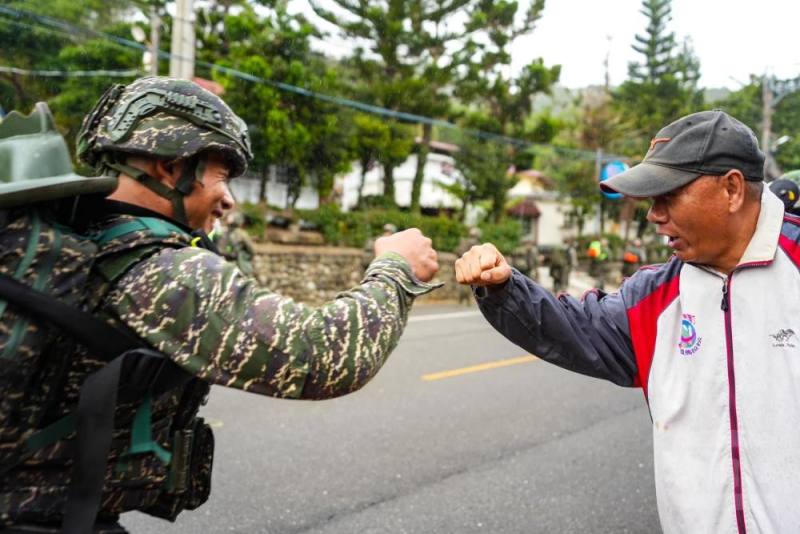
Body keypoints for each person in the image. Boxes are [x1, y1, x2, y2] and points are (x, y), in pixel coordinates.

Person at [0, 77, 440, 533]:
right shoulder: (156, 268)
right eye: (222, 176)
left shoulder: (79, 238)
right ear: (171, 167)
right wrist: (395, 268)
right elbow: (320, 356)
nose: (228, 199)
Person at [455, 110, 800, 533]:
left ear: (730, 188)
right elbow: (571, 329)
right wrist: (505, 288)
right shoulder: (654, 299)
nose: (654, 215)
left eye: (667, 195)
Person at [216, 210, 257, 277]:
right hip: (239, 266)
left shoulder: (223, 232)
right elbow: (252, 250)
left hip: (224, 265)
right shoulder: (242, 233)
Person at [455, 227, 482, 305]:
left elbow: (457, 251)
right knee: (469, 283)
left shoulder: (464, 241)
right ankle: (467, 300)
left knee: (462, 282)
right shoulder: (476, 243)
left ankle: (461, 299)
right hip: (471, 265)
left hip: (461, 263)